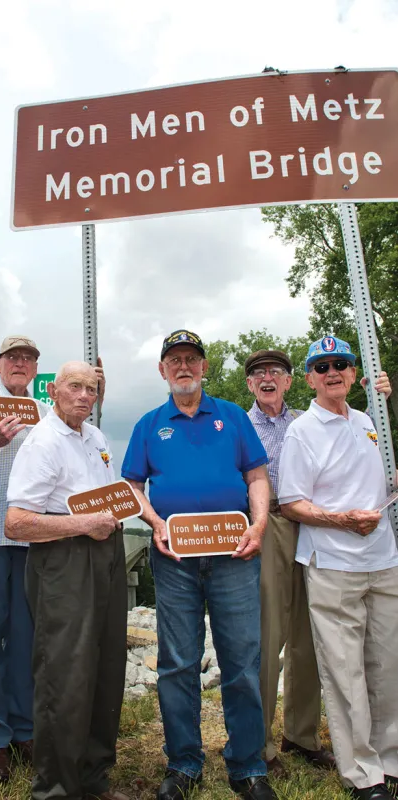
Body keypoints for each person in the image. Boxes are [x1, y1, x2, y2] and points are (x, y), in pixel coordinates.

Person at [121, 329, 276, 800]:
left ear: (204, 367)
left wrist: (260, 524)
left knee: (242, 662)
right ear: (163, 370)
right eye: (175, 360)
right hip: (175, 560)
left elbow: (257, 475)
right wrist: (154, 523)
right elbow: (131, 484)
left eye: (191, 359)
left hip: (234, 555)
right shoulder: (149, 424)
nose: (183, 366)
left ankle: (248, 766)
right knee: (177, 663)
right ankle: (184, 763)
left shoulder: (231, 417)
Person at [0, 343, 105, 784]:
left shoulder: (45, 409)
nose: (20, 364)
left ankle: (24, 729)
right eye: (12, 358)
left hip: (36, 540)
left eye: (28, 359)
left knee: (27, 640)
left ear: (39, 371)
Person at [245, 348, 392, 777]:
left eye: (276, 371)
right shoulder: (240, 424)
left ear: (292, 381)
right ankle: (260, 745)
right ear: (250, 384)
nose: (267, 378)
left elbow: (363, 446)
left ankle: (302, 734)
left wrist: (378, 397)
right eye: (258, 374)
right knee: (269, 635)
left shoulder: (308, 420)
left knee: (311, 638)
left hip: (314, 531)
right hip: (269, 523)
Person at [279, 336, 398, 800]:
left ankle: (390, 759)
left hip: (385, 559)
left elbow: (381, 475)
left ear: (353, 373)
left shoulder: (370, 421)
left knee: (386, 666)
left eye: (342, 365)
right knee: (345, 672)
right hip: (333, 564)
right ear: (309, 377)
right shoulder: (302, 431)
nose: (333, 373)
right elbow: (292, 503)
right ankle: (362, 773)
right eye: (322, 366)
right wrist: (342, 520)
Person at [5, 361, 127, 800]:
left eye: (92, 389)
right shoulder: (42, 442)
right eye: (74, 387)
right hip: (64, 561)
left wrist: (102, 525)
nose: (84, 396)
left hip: (106, 553)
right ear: (53, 391)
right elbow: (16, 523)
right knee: (65, 675)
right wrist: (83, 525)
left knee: (107, 667)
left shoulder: (95, 437)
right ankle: (56, 789)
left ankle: (94, 778)